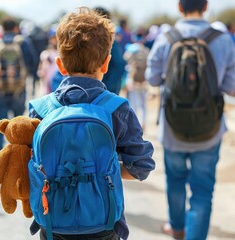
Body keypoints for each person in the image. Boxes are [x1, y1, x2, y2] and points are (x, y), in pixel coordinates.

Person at [29, 7, 155, 240]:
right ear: (106, 64)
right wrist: (106, 170)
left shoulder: (40, 109)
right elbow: (142, 166)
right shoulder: (117, 108)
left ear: (59, 64)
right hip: (104, 224)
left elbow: (27, 163)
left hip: (53, 221)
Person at [145, 0, 235, 239]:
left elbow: (152, 79)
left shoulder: (166, 37)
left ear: (179, 7)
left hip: (173, 127)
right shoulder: (222, 39)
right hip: (210, 127)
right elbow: (232, 86)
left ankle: (176, 227)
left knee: (175, 179)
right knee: (203, 189)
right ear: (206, 6)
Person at [0, 17, 37, 154]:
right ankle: (18, 157)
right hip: (19, 89)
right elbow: (33, 62)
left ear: (2, 28)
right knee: (18, 127)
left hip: (0, 90)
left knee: (0, 124)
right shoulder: (23, 42)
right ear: (15, 28)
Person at [94, 7, 126, 95]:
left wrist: (105, 92)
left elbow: (119, 65)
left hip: (104, 94)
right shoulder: (101, 42)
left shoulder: (110, 44)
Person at [123, 31, 150, 130]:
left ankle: (134, 125)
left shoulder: (130, 49)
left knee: (133, 103)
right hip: (143, 80)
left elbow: (125, 61)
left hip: (133, 80)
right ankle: (143, 123)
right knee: (143, 103)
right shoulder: (146, 50)